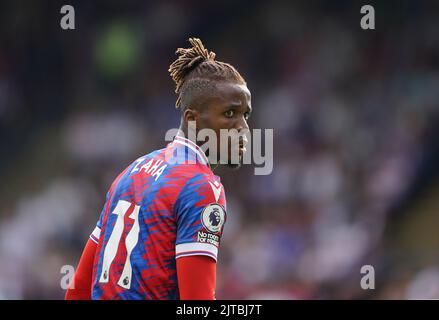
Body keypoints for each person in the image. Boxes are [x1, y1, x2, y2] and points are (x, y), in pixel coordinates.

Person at [65, 37, 252, 300]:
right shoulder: (202, 188)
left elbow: (78, 289)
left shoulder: (132, 171)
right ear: (193, 119)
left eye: (246, 115)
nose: (243, 128)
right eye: (231, 114)